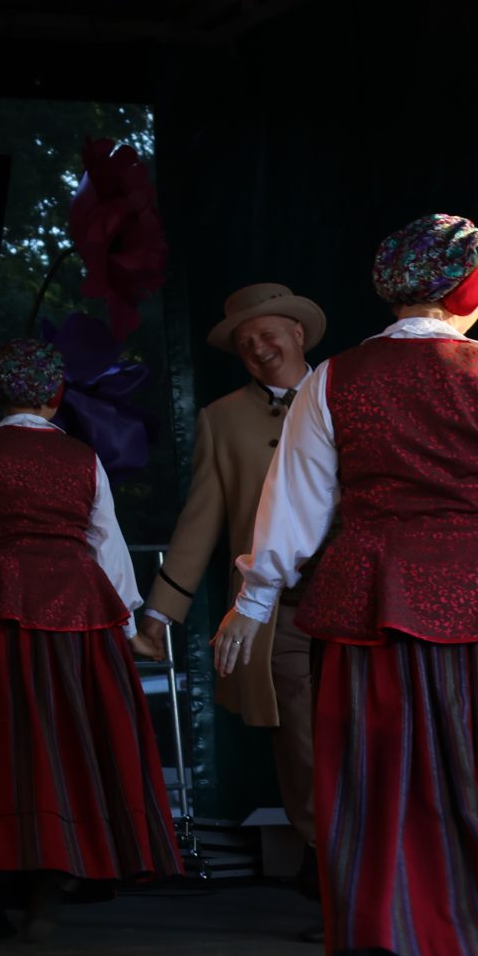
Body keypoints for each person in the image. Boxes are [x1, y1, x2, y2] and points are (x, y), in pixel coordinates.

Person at [215, 214, 478, 956]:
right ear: (473, 290)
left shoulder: (332, 382)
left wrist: (255, 599)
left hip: (379, 607)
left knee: (401, 782)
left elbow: (294, 504)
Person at [0, 338, 179, 942]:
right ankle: (51, 883)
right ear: (56, 395)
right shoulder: (84, 459)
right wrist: (129, 629)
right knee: (67, 744)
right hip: (80, 622)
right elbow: (108, 548)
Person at [138, 283, 326, 857]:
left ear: (298, 332)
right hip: (276, 609)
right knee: (301, 736)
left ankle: (383, 866)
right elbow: (200, 523)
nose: (258, 347)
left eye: (268, 333)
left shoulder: (344, 392)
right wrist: (159, 615)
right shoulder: (221, 420)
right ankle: (324, 860)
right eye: (245, 343)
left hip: (361, 596)